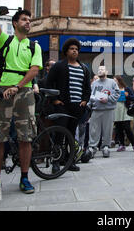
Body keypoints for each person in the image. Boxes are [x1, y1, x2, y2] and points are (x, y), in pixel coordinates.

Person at [0, 0, 43, 196]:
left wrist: (17, 87)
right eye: (24, 19)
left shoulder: (35, 46)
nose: (28, 22)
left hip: (23, 93)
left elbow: (34, 70)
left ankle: (25, 178)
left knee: (26, 137)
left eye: (30, 20)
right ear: (15, 23)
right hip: (2, 91)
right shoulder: (5, 41)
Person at [46, 37, 91, 171]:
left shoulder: (84, 68)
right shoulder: (59, 66)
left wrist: (84, 100)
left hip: (78, 107)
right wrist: (55, 100)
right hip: (62, 105)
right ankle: (56, 162)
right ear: (66, 51)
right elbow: (49, 83)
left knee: (71, 134)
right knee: (60, 133)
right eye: (72, 49)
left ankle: (69, 161)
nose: (74, 51)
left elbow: (87, 88)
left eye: (76, 49)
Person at [88, 66, 120, 158]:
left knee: (108, 129)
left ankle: (106, 146)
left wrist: (108, 99)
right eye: (98, 70)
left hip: (108, 109)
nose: (100, 71)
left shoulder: (112, 82)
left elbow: (117, 93)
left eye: (102, 69)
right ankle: (92, 147)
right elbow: (90, 95)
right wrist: (88, 105)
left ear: (107, 71)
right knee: (93, 130)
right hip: (96, 109)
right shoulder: (94, 83)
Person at [113, 75, 134, 152]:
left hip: (125, 108)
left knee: (127, 127)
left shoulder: (126, 88)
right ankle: (122, 144)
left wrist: (127, 95)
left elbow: (133, 97)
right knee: (118, 128)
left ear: (119, 81)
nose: (114, 82)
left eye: (115, 80)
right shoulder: (113, 89)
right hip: (116, 109)